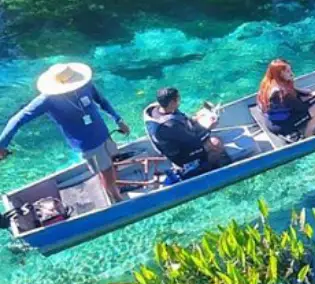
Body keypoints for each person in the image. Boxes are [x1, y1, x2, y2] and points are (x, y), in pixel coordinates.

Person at [0, 63, 130, 203]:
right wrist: (2, 144)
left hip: (103, 134)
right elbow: (17, 119)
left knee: (110, 164)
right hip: (88, 144)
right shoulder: (47, 100)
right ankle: (117, 199)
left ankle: (111, 186)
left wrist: (118, 120)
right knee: (106, 172)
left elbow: (102, 101)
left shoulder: (85, 85)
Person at [143, 87, 230, 178]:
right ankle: (213, 169)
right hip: (180, 156)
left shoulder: (155, 109)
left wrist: (196, 118)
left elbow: (180, 120)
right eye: (178, 98)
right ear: (172, 102)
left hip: (177, 141)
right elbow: (195, 141)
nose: (180, 100)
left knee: (202, 118)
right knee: (215, 143)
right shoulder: (170, 125)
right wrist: (209, 128)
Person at [257, 59, 315, 139]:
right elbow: (301, 108)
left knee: (308, 95)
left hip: (270, 120)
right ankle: (308, 135)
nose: (291, 73)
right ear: (280, 74)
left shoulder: (268, 83)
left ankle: (303, 124)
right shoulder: (282, 93)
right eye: (288, 71)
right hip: (281, 126)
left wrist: (305, 92)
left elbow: (292, 94)